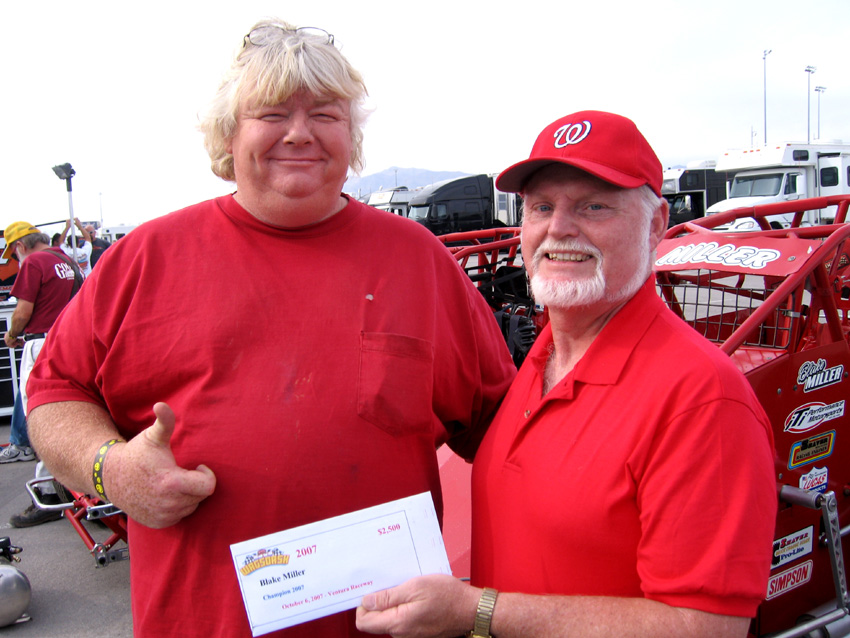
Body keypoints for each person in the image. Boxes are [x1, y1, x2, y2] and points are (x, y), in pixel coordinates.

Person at [25, 18, 515, 638]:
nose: (300, 133)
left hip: (388, 628)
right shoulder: (144, 258)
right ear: (229, 134)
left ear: (351, 136)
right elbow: (55, 394)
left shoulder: (421, 262)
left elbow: (505, 436)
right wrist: (110, 469)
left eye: (326, 114)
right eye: (273, 113)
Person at [355, 111, 778, 638]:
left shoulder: (702, 399)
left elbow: (704, 629)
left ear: (655, 224)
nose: (559, 228)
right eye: (542, 207)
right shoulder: (542, 357)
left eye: (593, 206)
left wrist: (478, 612)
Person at [0, 222, 79, 525]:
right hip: (70, 342)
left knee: (40, 417)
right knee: (71, 415)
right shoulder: (66, 260)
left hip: (41, 345)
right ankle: (77, 487)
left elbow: (22, 312)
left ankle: (48, 493)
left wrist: (12, 335)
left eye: (13, 252)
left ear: (20, 246)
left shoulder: (34, 263)